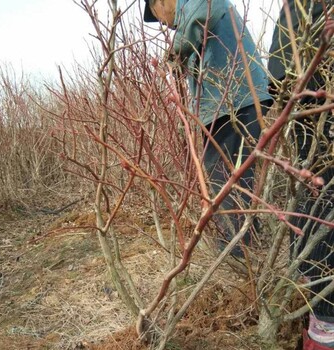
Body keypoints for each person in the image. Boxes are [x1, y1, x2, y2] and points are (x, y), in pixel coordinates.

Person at [143, 0, 273, 255]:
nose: (165, 25)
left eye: (159, 17)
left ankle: (235, 255)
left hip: (233, 102)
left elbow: (205, 12)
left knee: (224, 180)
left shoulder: (195, 4)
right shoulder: (191, 21)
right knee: (236, 178)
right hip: (232, 102)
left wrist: (174, 55)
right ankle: (251, 249)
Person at [268, 1, 333, 349]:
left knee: (318, 183)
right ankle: (324, 322)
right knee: (320, 183)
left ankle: (318, 310)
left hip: (302, 59)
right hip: (306, 59)